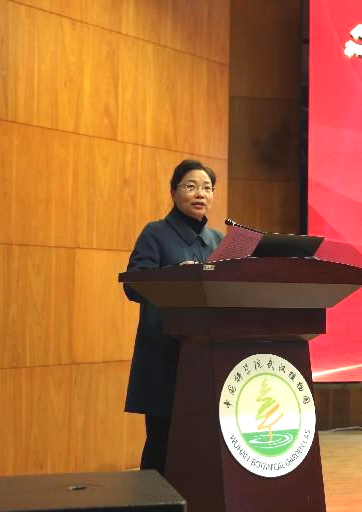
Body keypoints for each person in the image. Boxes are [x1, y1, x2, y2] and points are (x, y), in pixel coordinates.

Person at [123, 159, 223, 475]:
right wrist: (176, 274)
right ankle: (152, 500)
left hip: (207, 355)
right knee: (162, 442)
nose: (200, 194)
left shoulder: (219, 241)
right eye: (190, 186)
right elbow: (133, 285)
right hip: (164, 355)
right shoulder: (155, 234)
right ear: (173, 192)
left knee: (203, 443)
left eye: (207, 188)